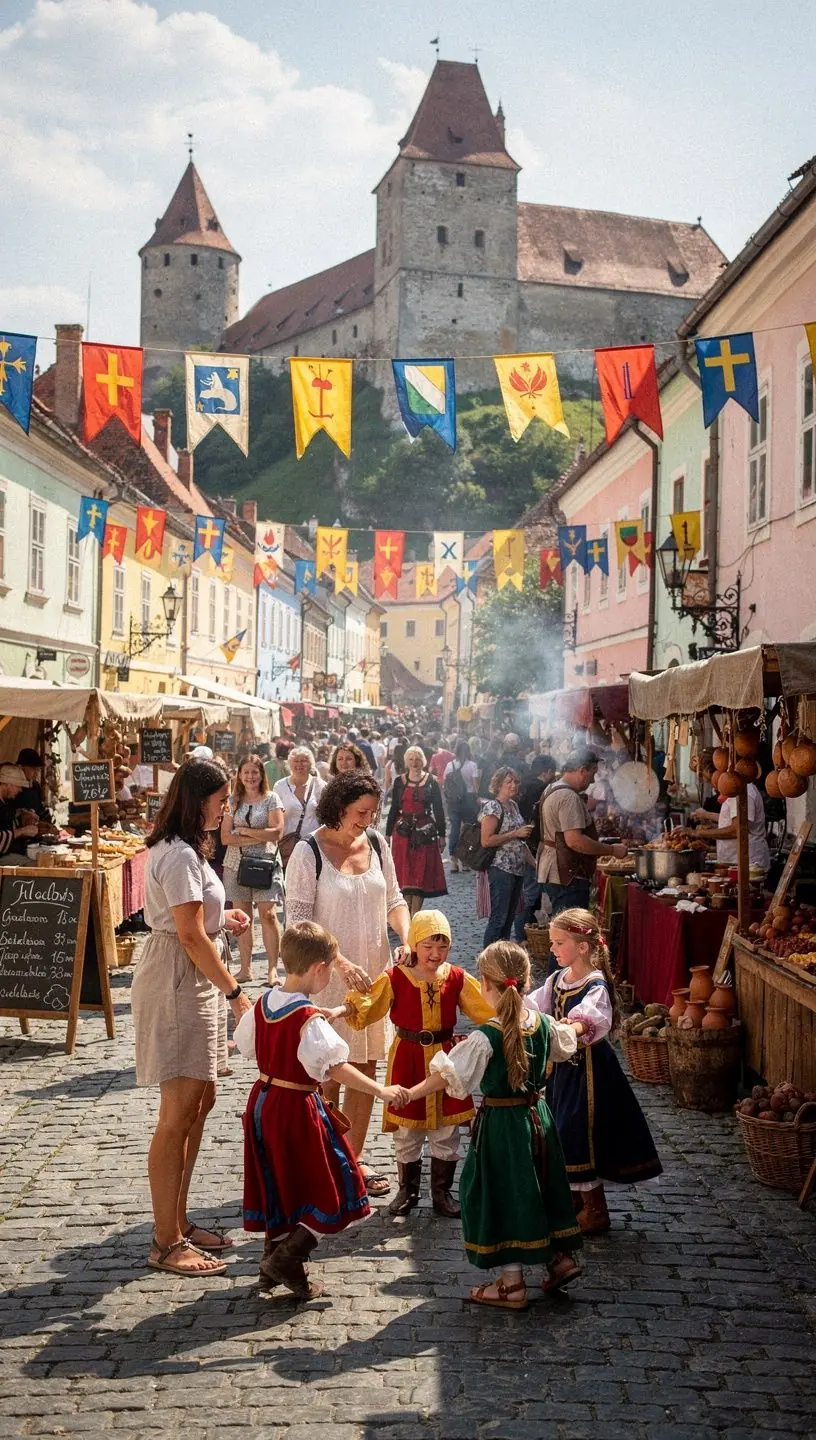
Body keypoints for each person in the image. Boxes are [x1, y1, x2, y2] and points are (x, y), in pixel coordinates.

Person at [395, 939, 582, 1310]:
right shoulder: (542, 1023)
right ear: (527, 982)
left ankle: (512, 1285)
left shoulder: (486, 1036)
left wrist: (408, 1093)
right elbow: (564, 1044)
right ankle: (558, 1259)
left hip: (502, 1126)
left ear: (486, 984)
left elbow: (448, 1076)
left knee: (504, 1195)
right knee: (539, 1185)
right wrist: (577, 1024)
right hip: (538, 1119)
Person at [235, 921, 409, 1300]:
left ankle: (277, 1263)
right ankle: (286, 1258)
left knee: (279, 1182)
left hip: (263, 1102)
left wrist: (319, 1019)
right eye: (329, 967)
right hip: (295, 1107)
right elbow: (334, 1067)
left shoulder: (265, 1002)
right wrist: (379, 1089)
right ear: (318, 968)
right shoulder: (306, 1017)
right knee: (336, 1183)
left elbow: (246, 1044)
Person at [131, 757, 253, 1277]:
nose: (226, 808)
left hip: (191, 972)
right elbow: (185, 933)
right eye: (221, 800)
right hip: (181, 978)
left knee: (201, 1097)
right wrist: (235, 991)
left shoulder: (185, 850)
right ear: (197, 799)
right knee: (178, 1112)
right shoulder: (179, 854)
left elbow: (193, 921)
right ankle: (165, 1240)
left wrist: (221, 918)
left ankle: (177, 1219)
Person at [285, 771, 410, 1197]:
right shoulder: (308, 852)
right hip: (327, 979)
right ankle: (322, 1159)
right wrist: (337, 960)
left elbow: (394, 900)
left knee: (367, 1067)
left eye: (373, 812)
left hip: (372, 976)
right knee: (327, 1075)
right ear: (339, 806)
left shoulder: (376, 843)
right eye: (362, 812)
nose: (368, 819)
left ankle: (350, 1165)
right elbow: (298, 924)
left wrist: (407, 938)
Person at [332, 909, 493, 1219]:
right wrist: (343, 1009)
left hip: (446, 1061)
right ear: (414, 945)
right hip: (407, 1059)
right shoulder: (396, 977)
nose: (435, 954)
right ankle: (407, 1191)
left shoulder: (456, 977)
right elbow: (370, 1003)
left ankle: (442, 1194)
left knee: (446, 1131)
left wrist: (514, 1017)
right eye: (428, 946)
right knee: (407, 1130)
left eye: (442, 946)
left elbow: (485, 1008)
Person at [529, 908, 663, 1235]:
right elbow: (535, 1004)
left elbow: (591, 1018)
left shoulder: (595, 985)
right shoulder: (557, 979)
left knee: (581, 1133)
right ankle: (574, 1202)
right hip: (563, 1072)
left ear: (583, 947)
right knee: (560, 1129)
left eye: (559, 942)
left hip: (590, 1073)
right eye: (552, 942)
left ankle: (595, 1210)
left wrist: (572, 1027)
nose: (553, 948)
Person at [537, 748, 628, 918]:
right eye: (592, 773)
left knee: (564, 926)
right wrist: (612, 850)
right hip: (567, 873)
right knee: (571, 930)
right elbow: (574, 841)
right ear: (581, 770)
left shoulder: (552, 787)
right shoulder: (568, 796)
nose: (593, 780)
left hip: (557, 871)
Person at [221, 752, 285, 987]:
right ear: (239, 775)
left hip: (265, 865)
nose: (250, 776)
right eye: (246, 772)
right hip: (236, 864)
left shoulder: (271, 799)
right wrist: (258, 836)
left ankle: (272, 970)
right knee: (242, 918)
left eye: (254, 772)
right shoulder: (231, 802)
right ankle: (245, 968)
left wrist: (245, 832)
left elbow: (277, 832)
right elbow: (226, 837)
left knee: (268, 916)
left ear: (261, 775)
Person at [386, 746, 447, 916]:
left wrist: (442, 835)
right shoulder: (399, 781)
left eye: (418, 759)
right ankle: (406, 913)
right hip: (403, 833)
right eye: (411, 759)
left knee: (420, 871)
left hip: (425, 832)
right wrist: (388, 833)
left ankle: (414, 915)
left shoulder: (432, 781)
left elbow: (439, 809)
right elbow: (394, 809)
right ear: (406, 762)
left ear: (423, 761)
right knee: (404, 873)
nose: (415, 763)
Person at [479, 768, 534, 945]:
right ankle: (488, 960)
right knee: (499, 918)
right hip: (500, 868)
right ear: (498, 785)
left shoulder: (514, 805)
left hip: (517, 869)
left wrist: (535, 864)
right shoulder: (493, 807)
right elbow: (486, 840)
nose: (513, 785)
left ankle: (501, 957)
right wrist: (514, 833)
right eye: (508, 782)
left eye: (516, 782)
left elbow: (521, 843)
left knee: (509, 918)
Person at [513, 754, 558, 939]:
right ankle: (523, 936)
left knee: (528, 893)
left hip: (523, 844)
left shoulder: (522, 784)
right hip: (533, 844)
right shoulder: (542, 788)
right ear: (547, 772)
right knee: (531, 894)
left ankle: (526, 933)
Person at [690, 781, 771, 874]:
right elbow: (730, 820)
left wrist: (697, 833)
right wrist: (707, 818)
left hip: (749, 864)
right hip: (736, 862)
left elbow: (736, 830)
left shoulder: (745, 792)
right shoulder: (736, 790)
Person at [273, 746, 324, 868]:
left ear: (310, 763)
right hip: (287, 846)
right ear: (290, 764)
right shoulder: (280, 786)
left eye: (304, 760)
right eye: (296, 761)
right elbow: (274, 817)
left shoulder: (320, 786)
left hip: (312, 845)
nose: (300, 764)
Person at [443, 740, 480, 873]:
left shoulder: (450, 765)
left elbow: (445, 784)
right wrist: (478, 799)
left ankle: (453, 860)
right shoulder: (472, 765)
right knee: (468, 831)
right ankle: (465, 861)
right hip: (469, 800)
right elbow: (475, 786)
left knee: (454, 829)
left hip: (453, 802)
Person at [0, 763, 39, 864]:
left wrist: (25, 817)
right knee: (35, 867)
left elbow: (8, 822)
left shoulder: (7, 802)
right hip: (2, 857)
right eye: (18, 786)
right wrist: (22, 831)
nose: (20, 790)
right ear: (8, 784)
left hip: (12, 852)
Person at [16, 748, 47, 818]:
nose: (36, 773)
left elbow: (39, 810)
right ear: (21, 767)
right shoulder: (13, 787)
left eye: (38, 770)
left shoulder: (36, 786)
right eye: (33, 769)